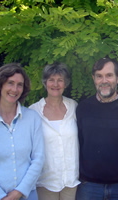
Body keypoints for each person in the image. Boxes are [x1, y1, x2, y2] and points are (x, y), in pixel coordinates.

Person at [0, 63, 44, 200]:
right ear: (0, 85)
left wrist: (18, 193)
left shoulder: (33, 118)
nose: (15, 89)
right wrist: (0, 196)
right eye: (10, 83)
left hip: (26, 195)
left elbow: (38, 159)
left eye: (20, 85)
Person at [75, 57, 118, 200]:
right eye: (99, 76)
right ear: (93, 78)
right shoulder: (82, 108)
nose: (104, 80)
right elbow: (77, 144)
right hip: (88, 186)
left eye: (109, 75)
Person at [29, 63, 80, 200]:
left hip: (71, 181)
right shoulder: (33, 112)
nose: (55, 84)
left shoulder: (74, 107)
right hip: (45, 182)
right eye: (51, 80)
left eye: (60, 80)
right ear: (45, 83)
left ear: (66, 83)